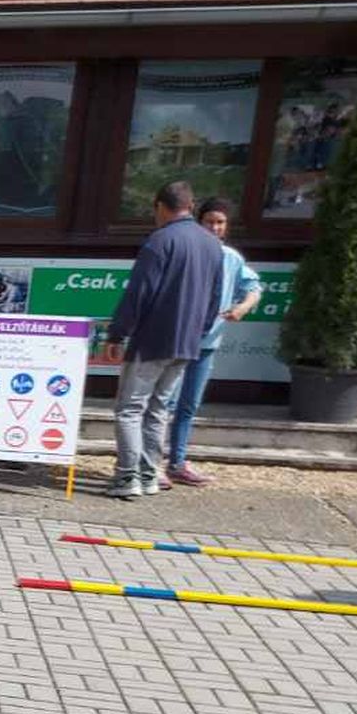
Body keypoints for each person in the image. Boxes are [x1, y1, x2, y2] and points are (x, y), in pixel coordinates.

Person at [104, 180, 223, 500]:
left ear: (160, 206)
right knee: (158, 409)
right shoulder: (212, 244)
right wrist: (200, 332)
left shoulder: (160, 241)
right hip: (187, 343)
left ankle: (128, 476)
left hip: (153, 339)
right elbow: (215, 298)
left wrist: (117, 333)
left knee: (129, 408)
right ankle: (149, 475)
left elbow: (138, 292)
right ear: (191, 205)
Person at [165, 196, 262, 487]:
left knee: (188, 405)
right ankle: (152, 462)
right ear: (199, 222)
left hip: (208, 343)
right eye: (210, 221)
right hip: (180, 340)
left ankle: (178, 462)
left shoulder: (231, 258)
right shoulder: (187, 251)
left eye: (220, 223)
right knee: (165, 403)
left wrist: (242, 307)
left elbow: (254, 287)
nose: (215, 228)